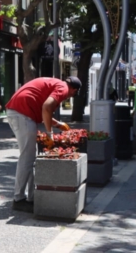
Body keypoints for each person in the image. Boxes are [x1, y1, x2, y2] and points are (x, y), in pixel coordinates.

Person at [5, 76, 81, 212]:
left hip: (19, 111)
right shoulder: (63, 88)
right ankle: (19, 199)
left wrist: (57, 124)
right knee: (27, 158)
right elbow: (47, 107)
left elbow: (43, 110)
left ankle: (31, 197)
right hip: (22, 113)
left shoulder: (55, 83)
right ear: (73, 89)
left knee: (30, 157)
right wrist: (49, 133)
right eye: (73, 94)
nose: (70, 96)